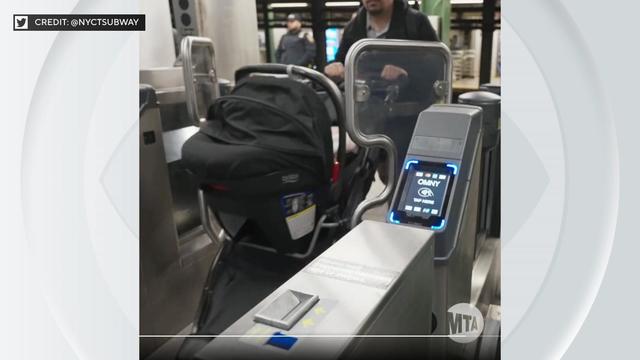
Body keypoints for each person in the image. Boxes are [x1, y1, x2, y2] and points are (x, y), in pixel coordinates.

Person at [324, 0, 439, 82]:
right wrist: (333, 68)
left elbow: (437, 65)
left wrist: (406, 74)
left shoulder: (416, 23)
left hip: (410, 109)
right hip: (362, 109)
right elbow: (342, 61)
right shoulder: (353, 28)